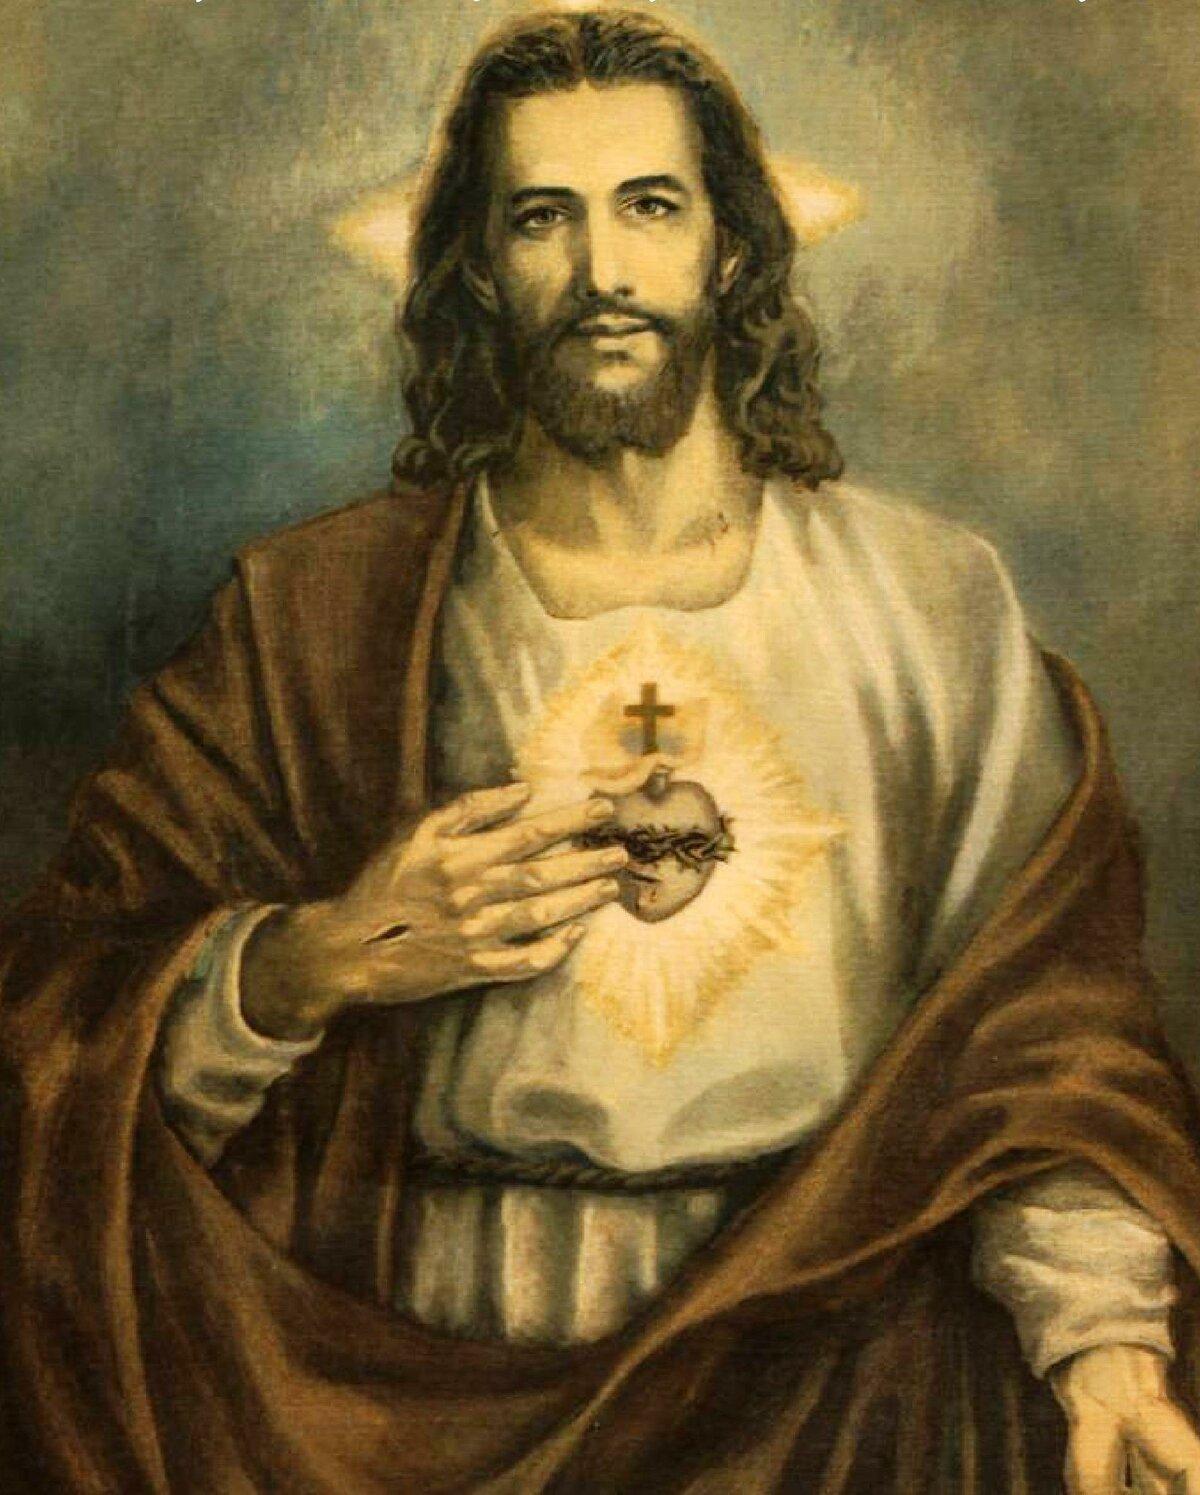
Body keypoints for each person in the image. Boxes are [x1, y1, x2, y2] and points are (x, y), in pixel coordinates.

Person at [2, 10, 1199, 1492]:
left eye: (649, 207)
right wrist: (316, 960)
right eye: (539, 218)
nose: (601, 272)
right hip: (434, 1373)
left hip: (835, 1363)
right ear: (475, 269)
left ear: (731, 251)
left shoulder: (929, 603)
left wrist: (1103, 1342)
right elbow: (58, 1036)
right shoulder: (314, 617)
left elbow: (1043, 1027)